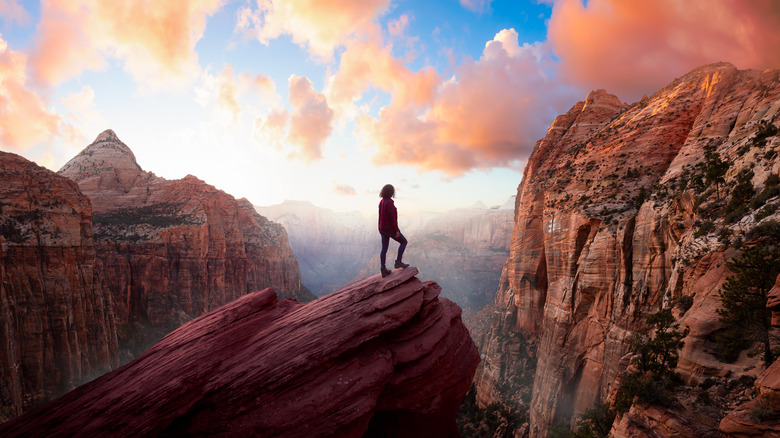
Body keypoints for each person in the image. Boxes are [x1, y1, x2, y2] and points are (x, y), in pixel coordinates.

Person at [378, 184, 409, 278]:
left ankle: (383, 269)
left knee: (384, 248)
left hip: (382, 228)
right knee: (404, 242)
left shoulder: (382, 201)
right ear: (391, 192)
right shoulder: (389, 203)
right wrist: (397, 231)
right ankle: (398, 262)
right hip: (389, 229)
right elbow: (392, 219)